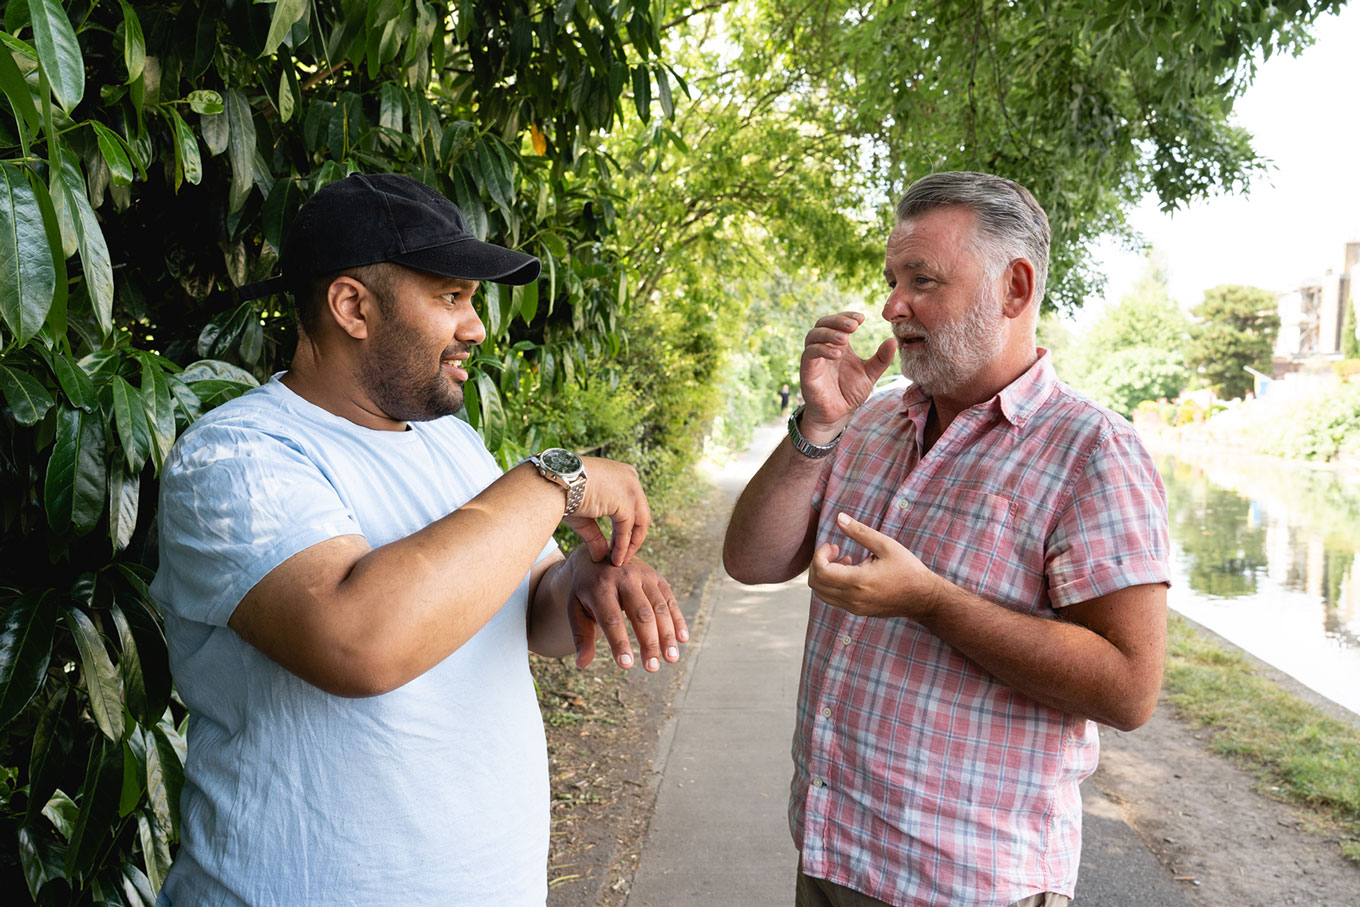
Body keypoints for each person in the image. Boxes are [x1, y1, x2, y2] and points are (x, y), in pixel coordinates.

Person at [150, 173, 688, 905]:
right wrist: (550, 480)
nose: (477, 327)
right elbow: (358, 640)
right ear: (352, 306)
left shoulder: (454, 446)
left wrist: (584, 586)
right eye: (450, 298)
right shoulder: (237, 454)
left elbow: (529, 602)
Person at [723, 171, 1170, 907]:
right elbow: (751, 560)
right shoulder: (871, 420)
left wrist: (930, 600)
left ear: (1015, 288)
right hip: (830, 852)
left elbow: (1128, 687)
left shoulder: (1093, 450)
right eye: (893, 278)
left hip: (967, 885)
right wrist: (818, 426)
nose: (893, 306)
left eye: (921, 280)